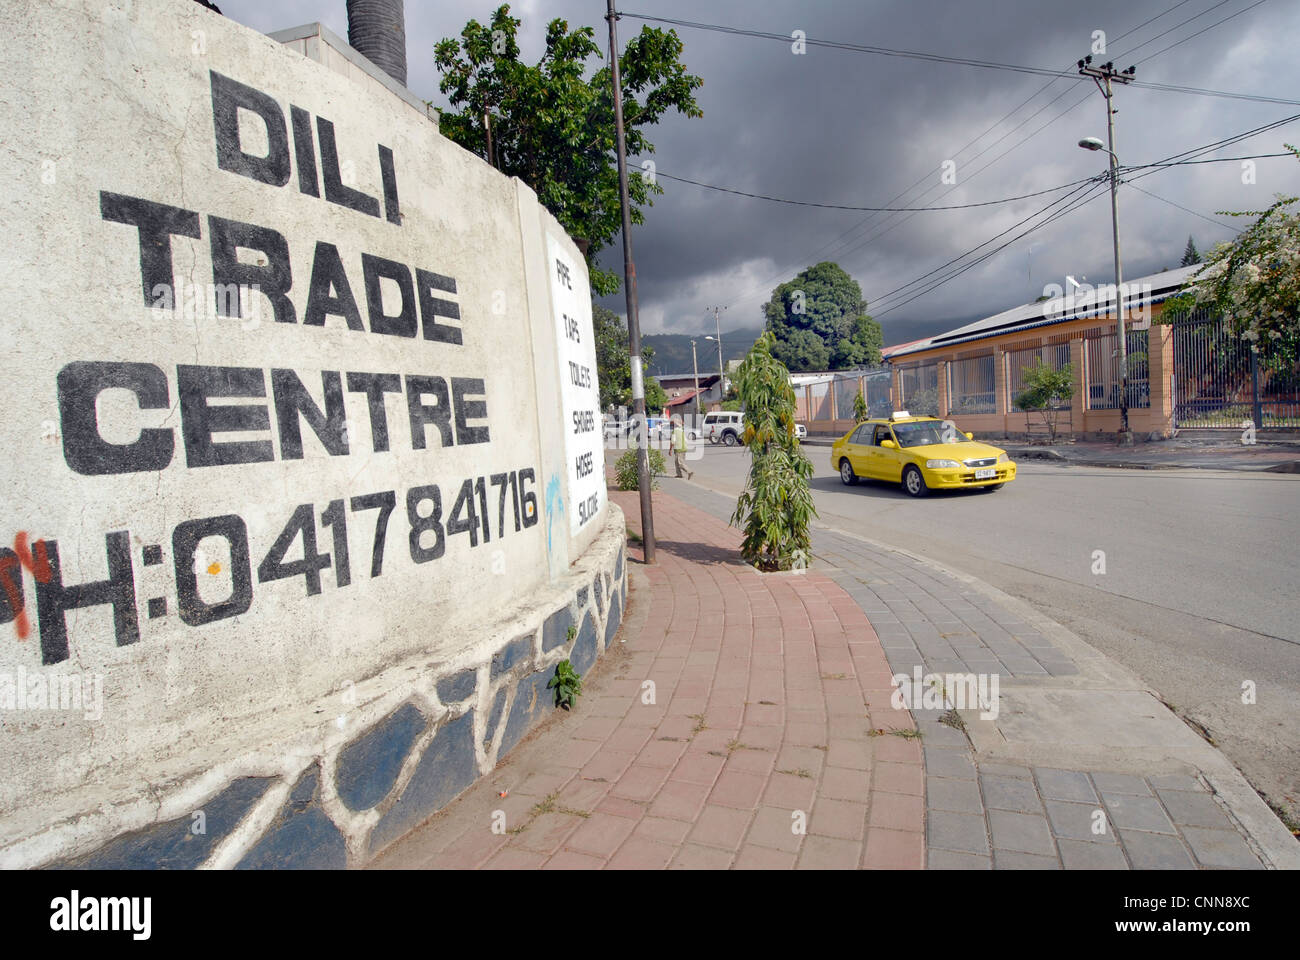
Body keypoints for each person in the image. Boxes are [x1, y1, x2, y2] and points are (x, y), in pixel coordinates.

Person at [671, 415, 694, 479]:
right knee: (676, 462)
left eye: (673, 424)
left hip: (679, 449)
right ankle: (679, 474)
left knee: (680, 463)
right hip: (684, 448)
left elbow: (673, 441)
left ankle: (689, 472)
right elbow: (686, 440)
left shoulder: (675, 431)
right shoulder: (681, 430)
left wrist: (670, 450)